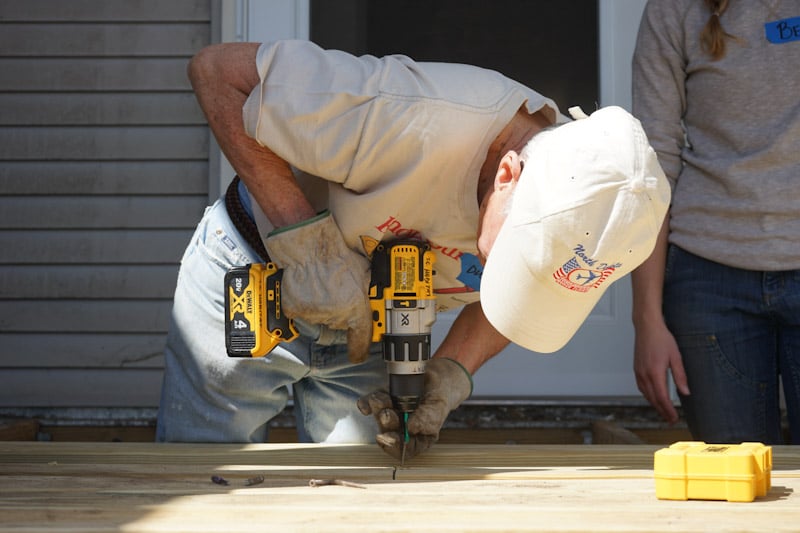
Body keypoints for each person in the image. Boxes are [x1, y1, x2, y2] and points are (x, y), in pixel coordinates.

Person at [156, 39, 670, 459]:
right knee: (207, 474)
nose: (500, 271)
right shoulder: (404, 113)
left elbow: (522, 298)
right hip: (256, 271)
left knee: (358, 497)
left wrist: (449, 371)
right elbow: (218, 72)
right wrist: (307, 245)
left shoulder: (593, 210)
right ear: (508, 173)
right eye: (513, 257)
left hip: (373, 318)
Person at [631, 0, 800, 444]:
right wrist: (646, 319)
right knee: (733, 492)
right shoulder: (674, 9)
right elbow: (652, 167)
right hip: (709, 282)